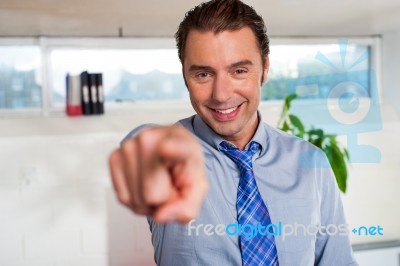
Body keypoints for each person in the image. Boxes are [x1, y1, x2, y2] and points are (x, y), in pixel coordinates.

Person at [109, 0, 358, 265]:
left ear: (264, 69)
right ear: (184, 76)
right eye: (203, 74)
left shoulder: (311, 162)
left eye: (239, 71)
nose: (221, 94)